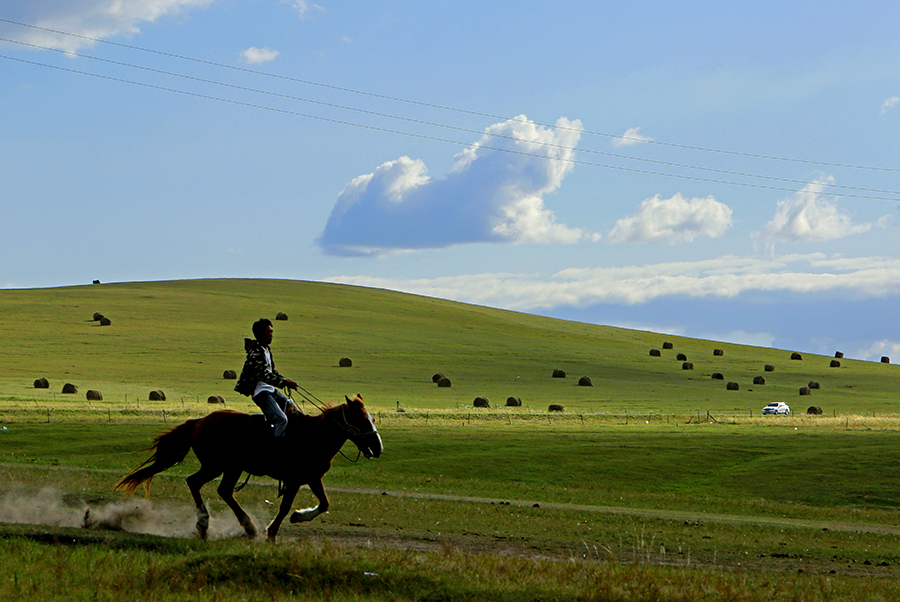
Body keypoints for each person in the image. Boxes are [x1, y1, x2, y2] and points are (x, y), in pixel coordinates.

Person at [234, 318, 299, 439]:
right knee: (281, 419)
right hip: (260, 392)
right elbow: (263, 374)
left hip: (269, 389)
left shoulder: (266, 350)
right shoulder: (255, 353)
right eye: (268, 331)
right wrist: (284, 382)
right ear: (260, 334)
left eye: (272, 331)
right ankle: (276, 450)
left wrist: (285, 380)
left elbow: (272, 371)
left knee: (294, 411)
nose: (271, 335)